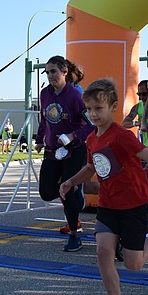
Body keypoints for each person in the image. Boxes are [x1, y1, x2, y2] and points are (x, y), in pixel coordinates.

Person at [58, 78, 148, 295]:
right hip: (108, 205)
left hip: (133, 204)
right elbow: (91, 167)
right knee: (103, 252)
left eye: (99, 108)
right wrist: (70, 182)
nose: (93, 114)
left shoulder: (121, 136)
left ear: (113, 107)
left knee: (133, 264)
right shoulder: (91, 139)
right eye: (89, 109)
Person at [34, 55, 94, 251]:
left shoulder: (75, 96)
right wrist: (39, 139)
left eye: (53, 71)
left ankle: (74, 235)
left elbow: (91, 125)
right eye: (47, 72)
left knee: (66, 191)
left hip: (74, 150)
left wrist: (72, 136)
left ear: (65, 72)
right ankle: (75, 192)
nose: (50, 76)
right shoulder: (45, 93)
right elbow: (44, 119)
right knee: (46, 192)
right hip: (53, 151)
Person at [122, 79, 148, 146]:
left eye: (144, 94)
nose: (141, 97)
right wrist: (139, 123)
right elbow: (124, 123)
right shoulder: (138, 107)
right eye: (139, 94)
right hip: (145, 145)